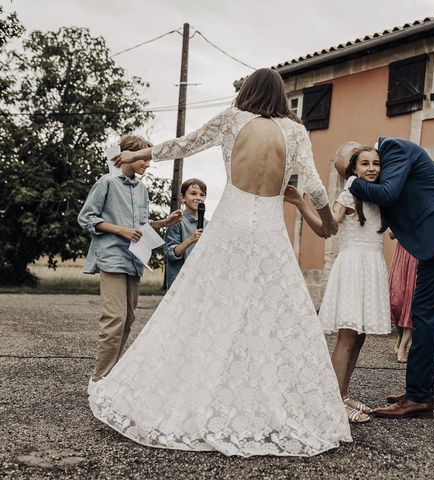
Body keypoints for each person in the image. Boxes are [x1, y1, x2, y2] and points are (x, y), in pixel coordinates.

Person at [89, 68, 352, 456]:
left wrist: (136, 153)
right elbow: (313, 184)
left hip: (229, 225)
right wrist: (329, 221)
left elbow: (183, 145)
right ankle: (255, 399)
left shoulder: (233, 119)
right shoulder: (296, 132)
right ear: (280, 96)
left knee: (205, 307)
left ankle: (199, 389)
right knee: (270, 314)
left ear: (246, 92)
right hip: (267, 233)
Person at [336, 137, 434, 418]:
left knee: (425, 316)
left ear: (355, 155)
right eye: (351, 172)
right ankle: (421, 388)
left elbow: (388, 194)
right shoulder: (386, 162)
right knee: (423, 314)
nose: (355, 176)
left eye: (349, 170)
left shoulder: (394, 148)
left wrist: (351, 184)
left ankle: (420, 397)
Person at [284, 146, 390, 424]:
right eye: (364, 163)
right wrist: (301, 204)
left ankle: (341, 394)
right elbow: (326, 228)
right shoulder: (349, 192)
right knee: (348, 335)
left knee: (361, 335)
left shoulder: (381, 196)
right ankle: (330, 402)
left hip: (373, 265)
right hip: (354, 266)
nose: (371, 168)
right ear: (353, 169)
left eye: (376, 163)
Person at [77, 134, 182, 382]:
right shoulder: (106, 183)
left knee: (128, 319)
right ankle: (99, 379)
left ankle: (111, 375)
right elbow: (86, 218)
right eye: (144, 158)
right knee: (115, 319)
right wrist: (120, 230)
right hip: (112, 256)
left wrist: (164, 223)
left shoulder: (142, 189)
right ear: (127, 155)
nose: (147, 163)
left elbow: (141, 227)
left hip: (135, 260)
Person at [163, 178, 209, 289]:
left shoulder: (209, 225)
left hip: (200, 282)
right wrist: (191, 239)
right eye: (193, 194)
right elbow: (170, 253)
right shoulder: (177, 221)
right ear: (183, 198)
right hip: (180, 282)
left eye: (202, 195)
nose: (198, 198)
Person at [388, 238, 417, 363]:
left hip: (418, 253)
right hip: (401, 252)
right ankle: (400, 337)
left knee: (411, 302)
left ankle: (403, 347)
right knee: (396, 301)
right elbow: (391, 234)